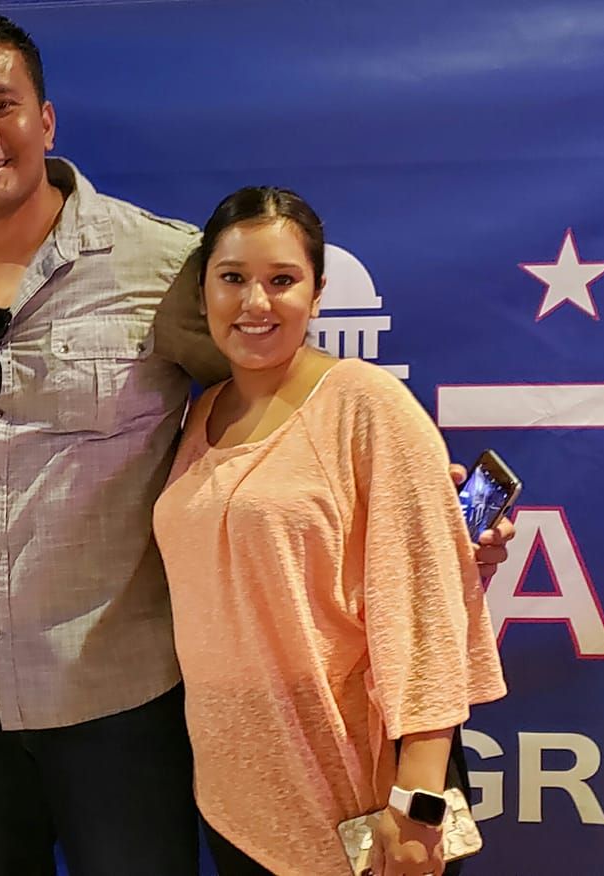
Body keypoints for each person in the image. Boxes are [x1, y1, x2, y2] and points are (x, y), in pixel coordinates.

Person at [0, 10, 515, 875]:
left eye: (2, 104)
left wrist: (416, 518)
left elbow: (286, 404)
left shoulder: (166, 265)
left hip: (121, 701)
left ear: (46, 120)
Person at [153, 187, 506, 875]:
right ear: (203, 292)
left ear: (316, 294)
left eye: (282, 280)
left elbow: (426, 614)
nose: (256, 302)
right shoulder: (201, 414)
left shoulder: (366, 405)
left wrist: (419, 802)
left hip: (359, 798)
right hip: (236, 799)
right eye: (233, 278)